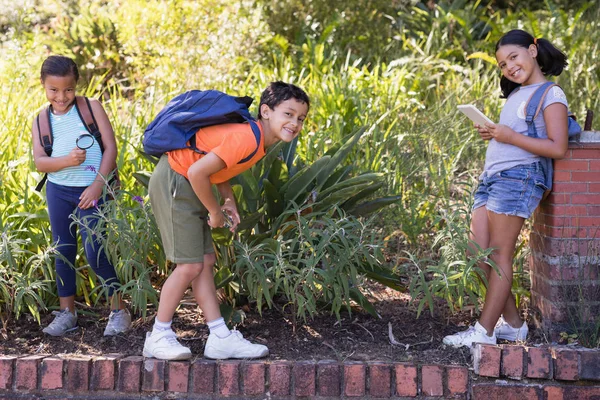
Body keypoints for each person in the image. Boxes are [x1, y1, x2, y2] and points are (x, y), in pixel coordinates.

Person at [143, 81, 310, 360]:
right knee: (190, 265)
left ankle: (219, 336)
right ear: (266, 112)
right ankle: (158, 335)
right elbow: (197, 172)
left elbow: (216, 164)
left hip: (188, 184)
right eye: (288, 114)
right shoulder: (248, 137)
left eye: (301, 118)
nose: (295, 123)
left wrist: (227, 198)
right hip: (176, 183)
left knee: (205, 263)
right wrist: (215, 211)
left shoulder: (256, 139)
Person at [443, 29, 572, 347]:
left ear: (532, 50)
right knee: (476, 253)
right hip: (492, 179)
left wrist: (508, 136)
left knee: (500, 255)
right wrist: (494, 133)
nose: (508, 67)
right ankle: (513, 325)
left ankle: (484, 332)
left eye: (513, 57)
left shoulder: (550, 94)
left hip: (519, 179)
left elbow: (557, 148)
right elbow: (511, 136)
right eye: (501, 64)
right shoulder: (515, 94)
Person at [32, 55, 131, 337]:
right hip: (58, 191)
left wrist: (98, 186)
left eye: (68, 89)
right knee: (63, 250)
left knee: (94, 249)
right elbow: (41, 162)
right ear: (43, 85)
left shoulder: (91, 108)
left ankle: (118, 310)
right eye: (54, 90)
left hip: (94, 190)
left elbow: (110, 148)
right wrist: (67, 161)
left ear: (77, 86)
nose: (61, 96)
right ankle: (67, 313)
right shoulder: (40, 119)